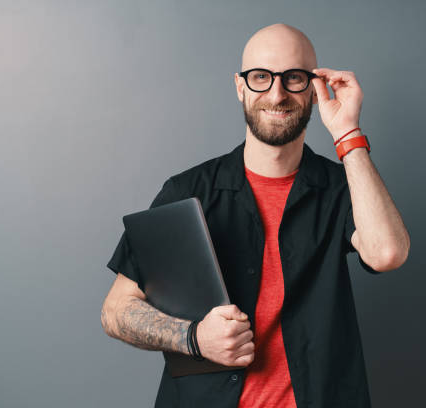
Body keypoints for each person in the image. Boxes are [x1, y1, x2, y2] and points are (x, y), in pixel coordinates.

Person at [101, 23, 410, 408]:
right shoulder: (186, 192)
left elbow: (386, 253)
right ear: (240, 86)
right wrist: (194, 337)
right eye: (261, 77)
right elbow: (117, 310)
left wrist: (348, 133)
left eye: (294, 78)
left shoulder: (342, 188)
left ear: (315, 90)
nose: (277, 94)